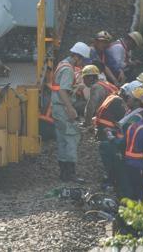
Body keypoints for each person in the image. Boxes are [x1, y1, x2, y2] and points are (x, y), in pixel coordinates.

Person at [51, 42, 90, 182]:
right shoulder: (68, 69)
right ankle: (71, 174)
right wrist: (70, 108)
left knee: (62, 139)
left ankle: (64, 174)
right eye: (82, 60)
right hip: (63, 108)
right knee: (72, 137)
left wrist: (75, 87)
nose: (82, 63)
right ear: (77, 57)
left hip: (57, 108)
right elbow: (62, 90)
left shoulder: (62, 63)